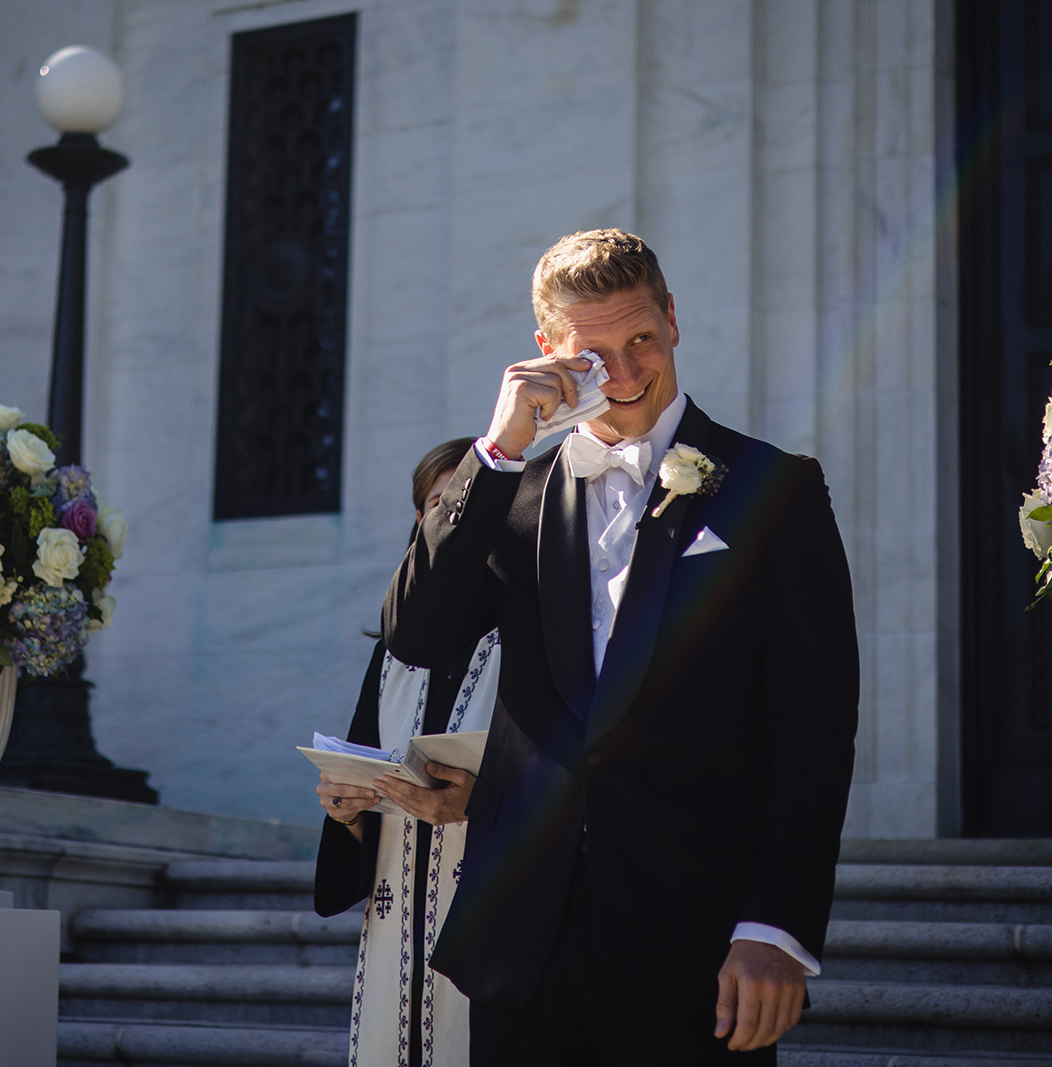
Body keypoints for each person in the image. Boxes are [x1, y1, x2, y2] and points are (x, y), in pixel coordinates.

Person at [382, 229, 859, 1065]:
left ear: (673, 319)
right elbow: (417, 636)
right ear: (547, 354)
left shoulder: (774, 488)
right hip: (522, 947)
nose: (628, 371)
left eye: (641, 337)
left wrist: (776, 925)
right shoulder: (509, 492)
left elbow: (814, 726)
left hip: (702, 944)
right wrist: (495, 451)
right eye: (595, 353)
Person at [314, 437, 501, 1067]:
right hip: (396, 925)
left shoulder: (531, 638)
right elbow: (365, 783)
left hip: (493, 917)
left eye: (465, 502)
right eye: (435, 504)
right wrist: (346, 810)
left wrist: (485, 800)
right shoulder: (393, 650)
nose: (450, 517)